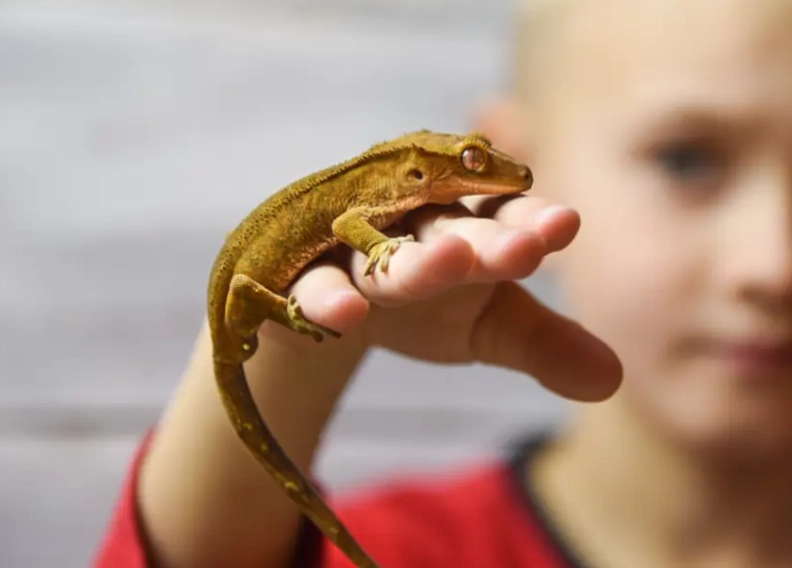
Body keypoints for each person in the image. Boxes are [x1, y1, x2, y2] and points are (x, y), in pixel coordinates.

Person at [94, 0, 792, 566]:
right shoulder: (400, 548)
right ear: (533, 160)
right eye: (686, 161)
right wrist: (295, 358)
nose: (773, 267)